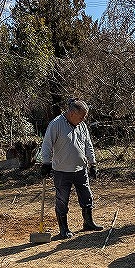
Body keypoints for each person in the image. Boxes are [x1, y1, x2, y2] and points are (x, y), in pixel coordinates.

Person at [40, 99, 103, 240]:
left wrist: (93, 163)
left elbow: (88, 145)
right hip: (62, 171)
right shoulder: (56, 124)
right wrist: (46, 163)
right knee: (62, 200)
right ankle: (64, 229)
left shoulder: (82, 126)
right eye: (81, 116)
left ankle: (88, 223)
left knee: (87, 196)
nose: (83, 119)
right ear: (72, 113)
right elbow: (47, 144)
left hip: (81, 169)